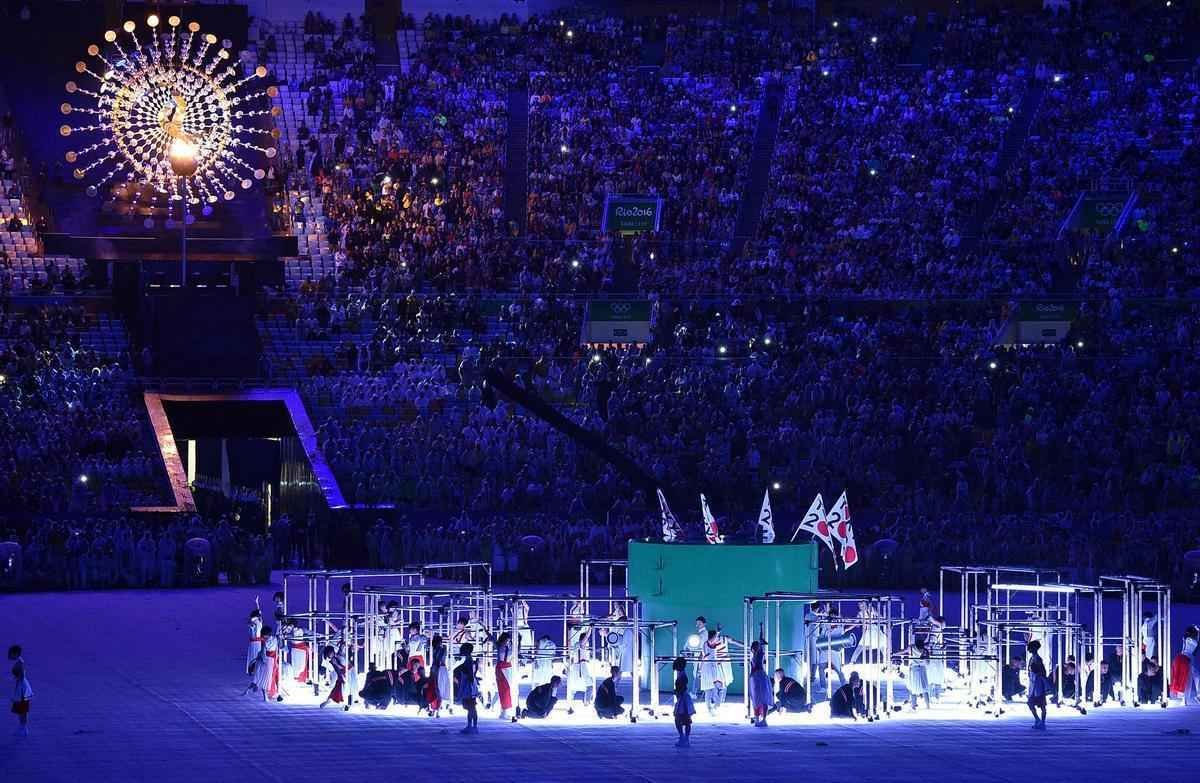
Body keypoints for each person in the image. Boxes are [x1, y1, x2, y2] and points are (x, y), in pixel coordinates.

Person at [699, 628, 727, 716]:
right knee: (708, 689)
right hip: (708, 667)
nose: (716, 638)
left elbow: (715, 641)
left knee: (716, 687)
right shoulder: (707, 643)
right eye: (715, 637)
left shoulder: (712, 643)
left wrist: (718, 632)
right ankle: (710, 708)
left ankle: (715, 706)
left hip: (713, 667)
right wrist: (700, 670)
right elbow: (704, 657)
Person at [455, 642, 480, 734]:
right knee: (471, 707)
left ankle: (473, 726)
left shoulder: (468, 660)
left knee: (471, 707)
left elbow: (469, 673)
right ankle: (472, 726)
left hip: (468, 685)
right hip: (468, 684)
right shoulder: (468, 659)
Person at [748, 632, 772, 727]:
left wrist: (761, 631)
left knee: (760, 698)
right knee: (758, 699)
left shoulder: (759, 654)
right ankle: (759, 719)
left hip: (758, 677)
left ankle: (762, 719)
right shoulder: (757, 655)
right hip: (757, 677)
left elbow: (761, 647)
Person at [253, 625, 281, 702]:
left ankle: (273, 693)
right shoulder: (265, 641)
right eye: (264, 637)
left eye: (265, 636)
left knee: (272, 676)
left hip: (272, 660)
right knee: (266, 677)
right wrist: (261, 657)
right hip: (267, 660)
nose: (264, 638)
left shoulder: (274, 639)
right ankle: (267, 694)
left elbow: (279, 642)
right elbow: (262, 651)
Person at [9, 645, 31, 737]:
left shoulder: (19, 663)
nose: (10, 656)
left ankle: (24, 729)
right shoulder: (19, 662)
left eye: (11, 654)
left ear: (16, 653)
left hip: (22, 689)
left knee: (22, 710)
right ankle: (23, 729)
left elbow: (21, 677)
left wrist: (17, 693)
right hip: (21, 687)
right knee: (22, 710)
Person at [672, 656, 695, 747]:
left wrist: (677, 691)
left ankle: (683, 738)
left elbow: (682, 688)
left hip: (683, 699)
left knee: (679, 719)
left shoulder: (681, 675)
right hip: (683, 698)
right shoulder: (682, 674)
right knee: (686, 720)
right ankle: (685, 738)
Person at [1027, 640, 1049, 729]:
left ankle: (1041, 722)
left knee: (1040, 704)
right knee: (1033, 703)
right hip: (1034, 684)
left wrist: (1036, 672)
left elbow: (1043, 671)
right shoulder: (1033, 658)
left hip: (1038, 684)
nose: (1029, 650)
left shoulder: (1037, 659)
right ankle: (1039, 721)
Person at [319, 644, 347, 709]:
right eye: (330, 653)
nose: (332, 653)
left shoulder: (335, 658)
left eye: (332, 652)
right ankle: (343, 704)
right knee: (341, 691)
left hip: (341, 676)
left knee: (337, 691)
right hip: (342, 675)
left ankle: (327, 702)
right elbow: (340, 667)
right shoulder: (333, 660)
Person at [494, 631, 514, 721]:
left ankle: (503, 711)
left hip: (506, 669)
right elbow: (491, 638)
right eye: (507, 639)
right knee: (504, 691)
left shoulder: (507, 647)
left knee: (506, 690)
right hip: (502, 669)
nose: (508, 641)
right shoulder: (500, 646)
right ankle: (504, 712)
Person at [906, 638, 931, 710]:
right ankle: (927, 705)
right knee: (924, 688)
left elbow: (903, 651)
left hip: (914, 669)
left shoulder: (911, 648)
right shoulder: (925, 651)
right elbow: (928, 663)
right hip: (922, 669)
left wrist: (894, 654)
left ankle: (913, 705)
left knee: (913, 688)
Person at [430, 634, 450, 716]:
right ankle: (436, 709)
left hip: (437, 668)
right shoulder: (442, 648)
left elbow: (437, 660)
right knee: (439, 689)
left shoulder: (436, 649)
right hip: (441, 669)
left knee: (435, 689)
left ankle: (435, 709)